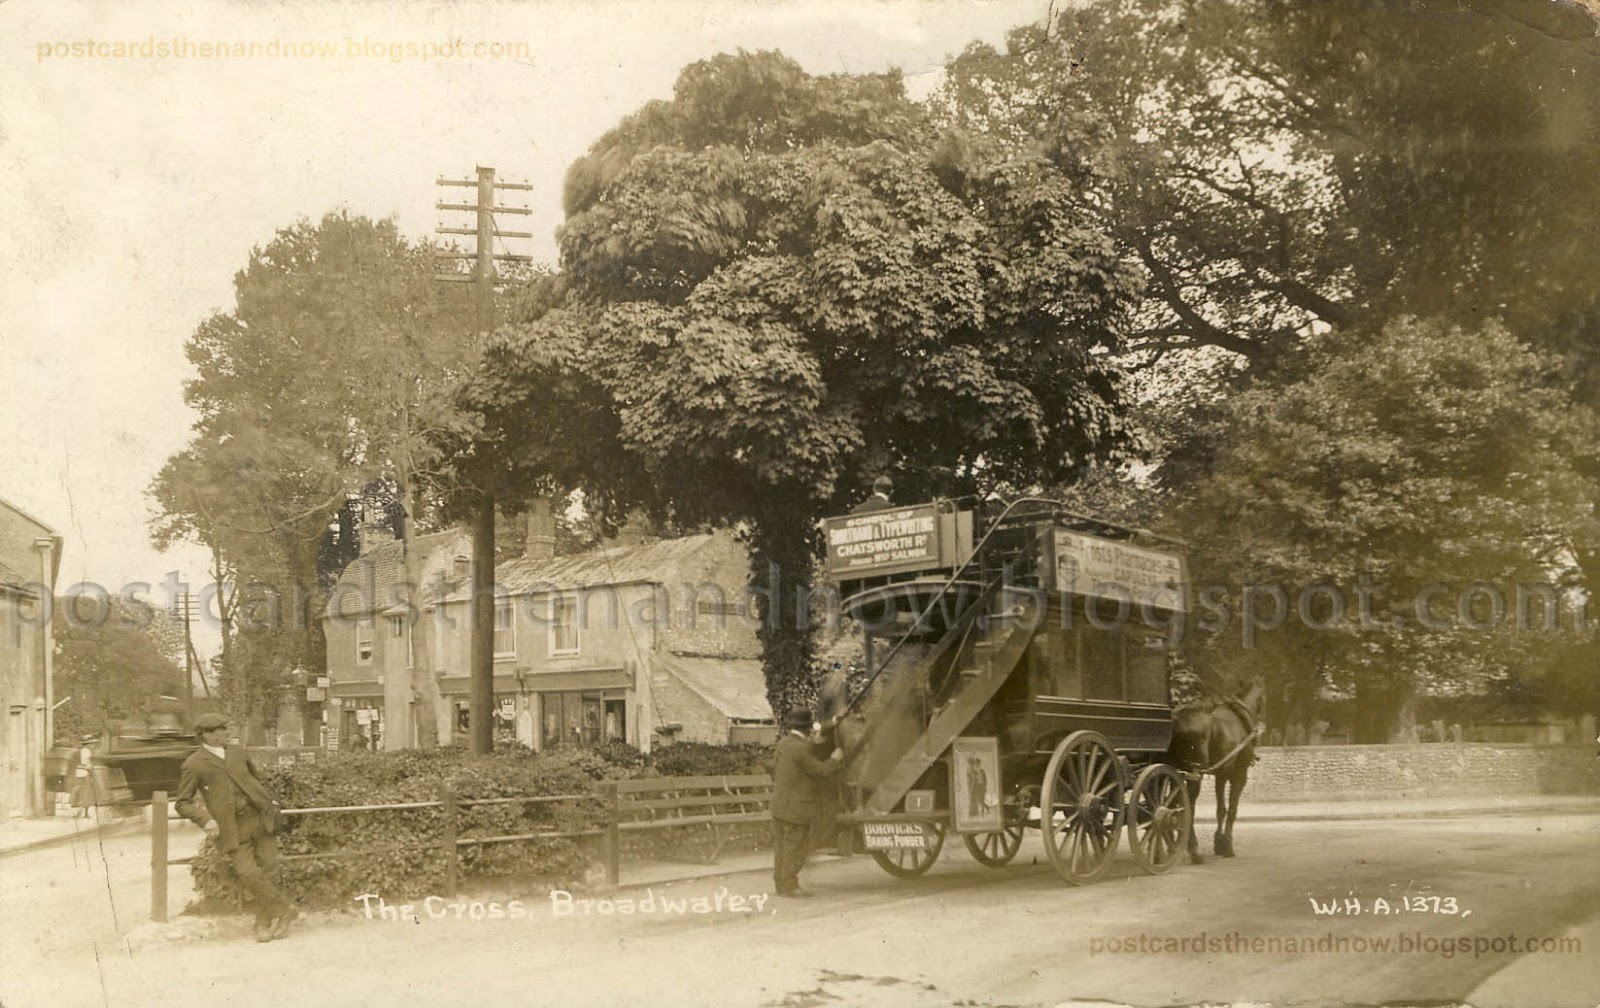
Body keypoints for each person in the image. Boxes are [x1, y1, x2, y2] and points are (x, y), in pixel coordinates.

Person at [174, 712, 297, 942]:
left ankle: (263, 921)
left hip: (261, 819)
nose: (226, 732)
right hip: (232, 828)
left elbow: (255, 779)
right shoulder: (194, 764)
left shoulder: (238, 753)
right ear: (206, 735)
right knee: (247, 872)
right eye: (221, 729)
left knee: (270, 870)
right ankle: (284, 910)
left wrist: (268, 801)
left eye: (225, 728)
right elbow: (182, 803)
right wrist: (205, 820)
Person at [770, 707, 844, 897]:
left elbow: (811, 744)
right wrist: (834, 760)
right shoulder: (801, 748)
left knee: (781, 847)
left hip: (779, 806)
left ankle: (781, 884)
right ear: (807, 729)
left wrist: (834, 720)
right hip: (797, 809)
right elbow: (821, 772)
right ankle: (789, 886)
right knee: (795, 848)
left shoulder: (784, 743)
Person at [70, 735, 97, 819]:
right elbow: (87, 764)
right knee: (87, 793)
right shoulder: (87, 751)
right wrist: (92, 771)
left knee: (78, 792)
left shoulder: (79, 751)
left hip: (77, 773)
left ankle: (78, 812)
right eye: (92, 743)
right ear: (88, 744)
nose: (93, 745)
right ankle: (85, 813)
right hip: (85, 773)